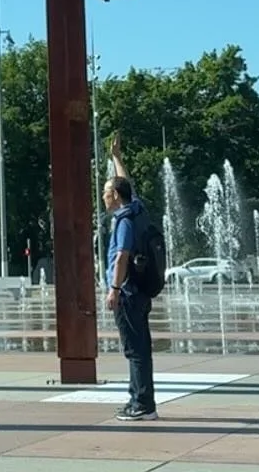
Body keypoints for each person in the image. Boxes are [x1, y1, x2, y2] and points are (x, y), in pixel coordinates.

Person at [103, 131, 157, 422]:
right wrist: (116, 158)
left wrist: (113, 288)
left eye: (105, 191)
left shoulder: (123, 220)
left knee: (134, 350)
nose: (102, 196)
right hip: (140, 290)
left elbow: (122, 255)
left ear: (114, 196)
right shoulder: (137, 209)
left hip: (128, 292)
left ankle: (142, 405)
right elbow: (127, 184)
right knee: (141, 348)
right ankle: (139, 399)